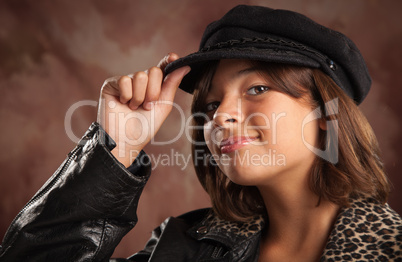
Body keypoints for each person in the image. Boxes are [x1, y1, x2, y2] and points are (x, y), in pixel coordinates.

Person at [0, 4, 401, 262]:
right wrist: (116, 145)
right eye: (210, 104)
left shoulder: (390, 249)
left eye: (257, 89)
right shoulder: (183, 247)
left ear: (326, 115)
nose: (220, 116)